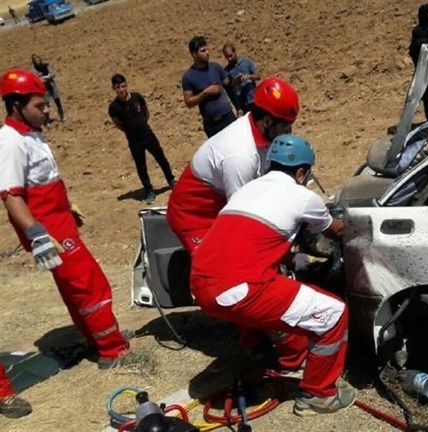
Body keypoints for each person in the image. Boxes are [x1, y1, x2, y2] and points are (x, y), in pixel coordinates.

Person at [190, 134, 355, 417]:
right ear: (301, 172)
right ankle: (318, 394)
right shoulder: (303, 196)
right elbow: (336, 231)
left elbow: (252, 241)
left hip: (200, 282)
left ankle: (283, 357)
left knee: (282, 292)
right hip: (238, 288)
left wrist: (293, 257)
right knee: (334, 314)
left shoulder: (248, 190)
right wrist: (358, 224)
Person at [0, 69, 130, 370]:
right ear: (16, 106)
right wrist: (37, 235)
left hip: (59, 222)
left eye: (46, 103)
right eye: (39, 105)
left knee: (75, 288)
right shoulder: (10, 142)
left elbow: (40, 181)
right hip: (49, 231)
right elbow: (11, 196)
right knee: (89, 285)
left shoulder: (30, 133)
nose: (46, 110)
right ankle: (113, 350)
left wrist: (67, 206)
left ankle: (99, 340)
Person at [167, 76, 300, 252]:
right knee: (218, 267)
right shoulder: (240, 156)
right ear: (267, 121)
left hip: (222, 201)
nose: (289, 133)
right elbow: (243, 217)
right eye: (285, 128)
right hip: (193, 215)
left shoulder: (259, 130)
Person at [108, 74, 176, 204]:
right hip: (134, 141)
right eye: (118, 87)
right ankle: (149, 190)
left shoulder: (136, 97)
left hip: (147, 134)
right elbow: (117, 124)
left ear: (126, 85)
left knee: (160, 157)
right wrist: (129, 131)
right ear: (114, 89)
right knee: (141, 166)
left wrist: (142, 124)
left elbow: (146, 112)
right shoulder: (114, 107)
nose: (122, 90)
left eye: (123, 86)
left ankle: (171, 180)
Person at [182, 36, 237, 137]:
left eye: (207, 49)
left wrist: (239, 108)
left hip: (228, 117)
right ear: (194, 54)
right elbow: (189, 102)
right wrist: (205, 93)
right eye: (203, 51)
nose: (207, 52)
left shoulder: (216, 67)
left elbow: (229, 87)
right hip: (211, 125)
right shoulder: (188, 77)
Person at [222, 43, 262, 115]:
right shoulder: (226, 71)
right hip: (243, 104)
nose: (229, 59)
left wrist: (248, 76)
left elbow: (258, 76)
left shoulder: (246, 62)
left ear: (235, 52)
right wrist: (235, 82)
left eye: (230, 56)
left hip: (254, 99)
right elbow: (229, 89)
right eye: (227, 57)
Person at [31, 54, 64, 123]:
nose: (38, 61)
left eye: (38, 60)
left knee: (57, 101)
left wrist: (45, 77)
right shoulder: (34, 70)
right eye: (36, 60)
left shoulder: (46, 66)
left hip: (52, 86)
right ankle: (47, 120)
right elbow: (36, 79)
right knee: (46, 104)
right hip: (44, 89)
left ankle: (62, 116)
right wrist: (45, 77)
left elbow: (53, 74)